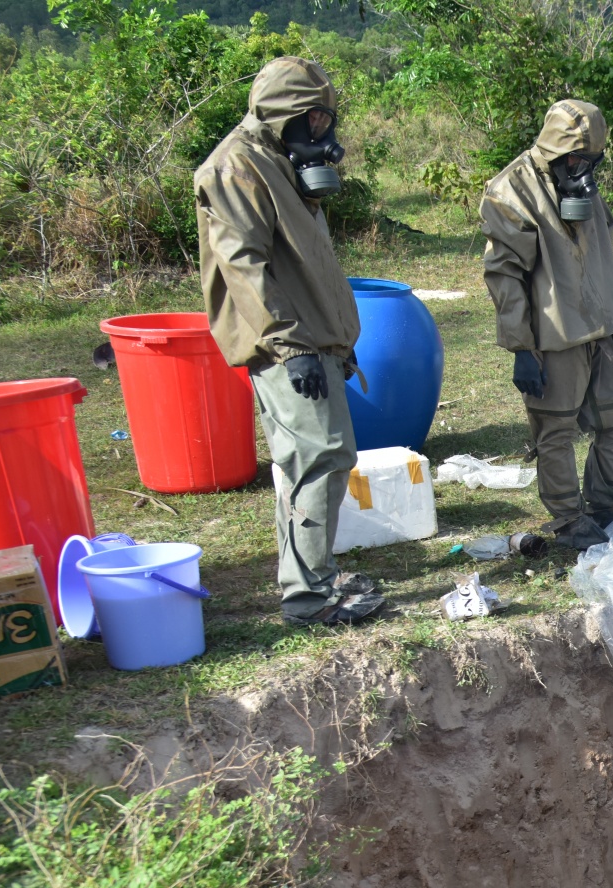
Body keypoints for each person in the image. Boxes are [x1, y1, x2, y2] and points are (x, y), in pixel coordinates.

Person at [195, 56, 384, 627]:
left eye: (329, 122)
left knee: (320, 458)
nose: (325, 134)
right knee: (317, 459)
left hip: (309, 337)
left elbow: (304, 260)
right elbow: (243, 265)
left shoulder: (278, 160)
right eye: (317, 122)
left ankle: (313, 577)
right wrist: (289, 343)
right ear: (288, 115)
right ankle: (306, 597)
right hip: (287, 343)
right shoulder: (235, 167)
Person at [481, 100, 613, 552]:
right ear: (552, 152)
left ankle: (605, 502)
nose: (582, 169)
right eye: (574, 161)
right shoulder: (510, 191)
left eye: (591, 161)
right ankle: (566, 519)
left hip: (602, 330)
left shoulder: (584, 185)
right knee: (555, 432)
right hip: (554, 336)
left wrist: (612, 322)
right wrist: (522, 347)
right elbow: (504, 275)